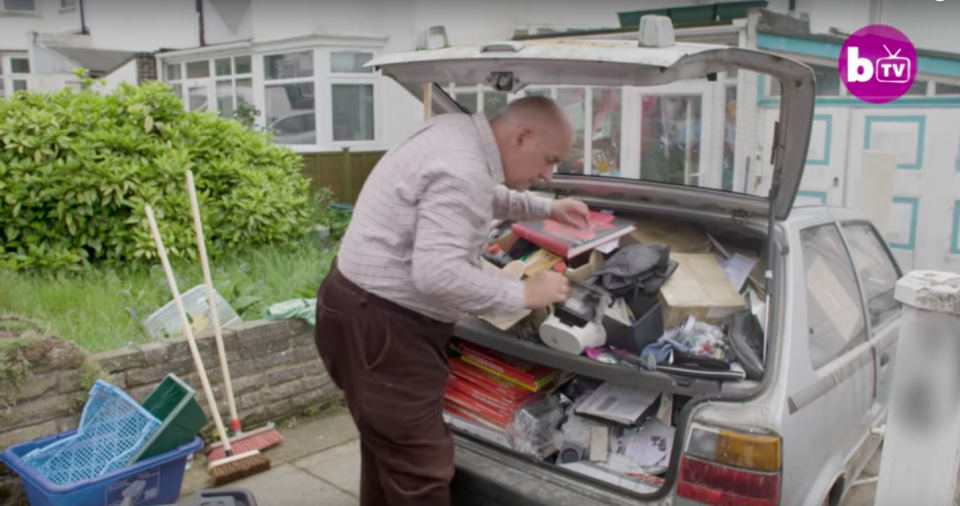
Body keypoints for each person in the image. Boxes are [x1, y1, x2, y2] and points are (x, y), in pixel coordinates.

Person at [313, 96, 590, 506]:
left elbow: (489, 195)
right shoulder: (464, 169)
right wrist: (524, 292)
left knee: (387, 449)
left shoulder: (457, 134)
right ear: (522, 137)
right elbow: (437, 274)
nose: (549, 173)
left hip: (358, 311)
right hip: (386, 328)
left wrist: (546, 207)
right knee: (421, 469)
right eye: (548, 160)